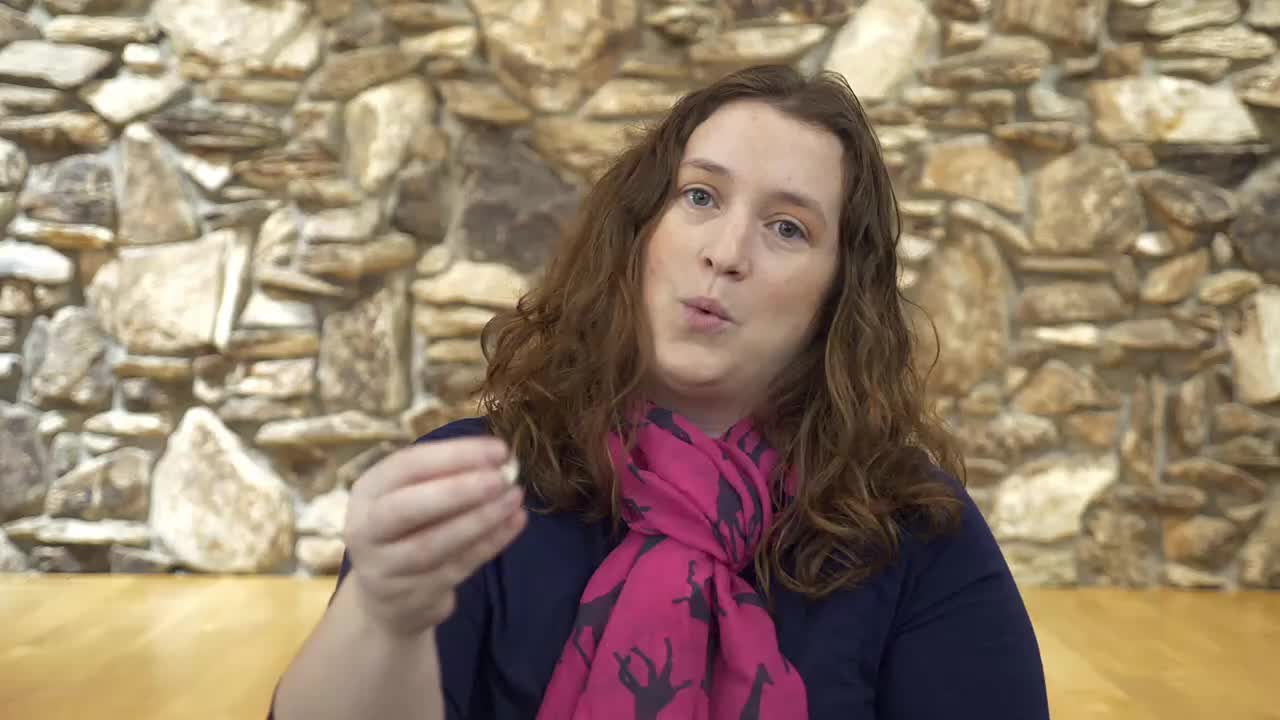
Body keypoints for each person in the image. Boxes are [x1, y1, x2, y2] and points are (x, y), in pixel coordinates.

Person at [270, 64, 1050, 720]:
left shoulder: (914, 532)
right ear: (640, 232)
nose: (727, 252)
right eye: (701, 197)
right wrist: (382, 613)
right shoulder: (473, 487)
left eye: (788, 228)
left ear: (838, 296)